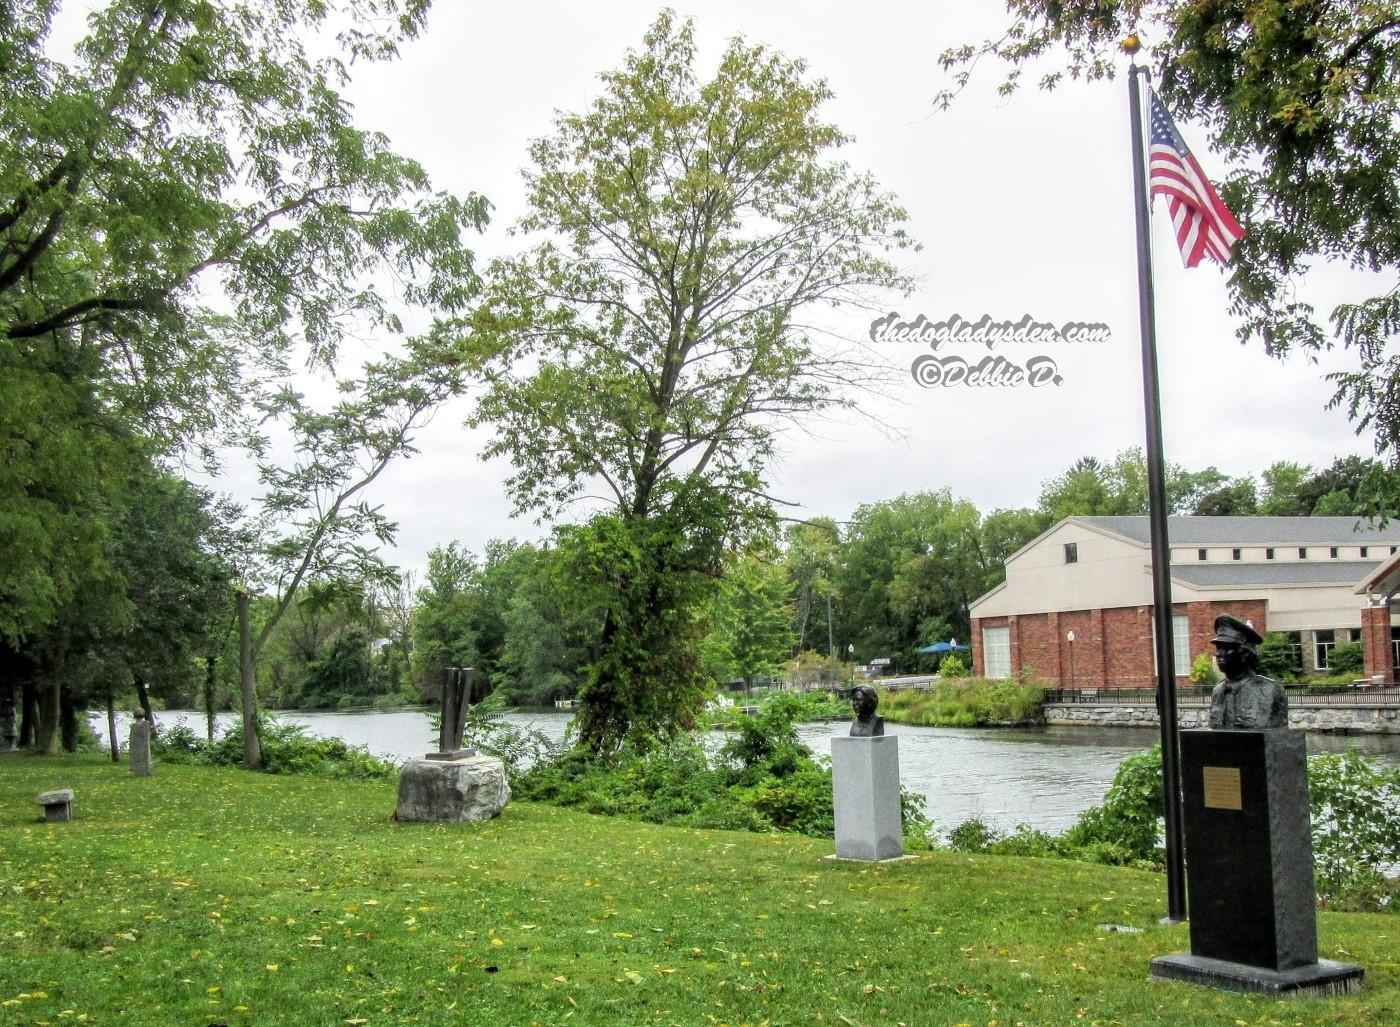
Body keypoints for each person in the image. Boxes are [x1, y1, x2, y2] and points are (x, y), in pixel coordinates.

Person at [1208, 614, 1288, 729]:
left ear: (1244, 653)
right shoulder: (1217, 692)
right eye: (1218, 648)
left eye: (1226, 648)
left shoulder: (1271, 690)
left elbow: (1280, 739)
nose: (1219, 654)